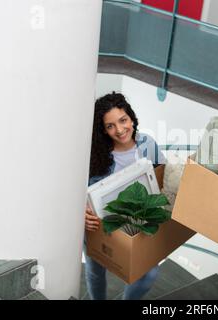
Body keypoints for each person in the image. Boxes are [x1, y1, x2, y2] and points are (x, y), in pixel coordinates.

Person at [84, 91, 165, 300]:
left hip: (138, 221)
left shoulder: (147, 144)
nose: (120, 130)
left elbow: (162, 176)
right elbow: (74, 192)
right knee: (95, 272)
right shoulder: (93, 154)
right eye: (110, 126)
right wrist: (80, 212)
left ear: (131, 117)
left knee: (149, 273)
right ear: (103, 129)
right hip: (99, 226)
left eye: (123, 120)